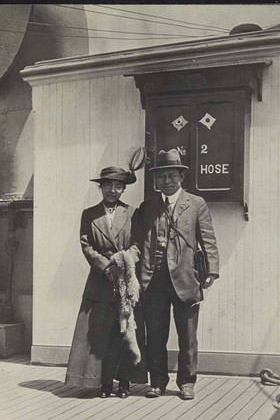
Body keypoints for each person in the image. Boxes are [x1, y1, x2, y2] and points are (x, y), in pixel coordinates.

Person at [130, 148, 219, 400]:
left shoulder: (196, 204)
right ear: (156, 181)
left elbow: (208, 240)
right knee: (155, 334)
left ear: (181, 177)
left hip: (186, 279)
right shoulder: (147, 207)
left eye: (172, 176)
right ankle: (157, 381)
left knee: (187, 335)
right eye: (162, 177)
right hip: (154, 281)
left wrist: (211, 271)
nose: (167, 182)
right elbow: (138, 241)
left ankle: (187, 382)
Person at [65, 165, 147, 399]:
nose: (113, 189)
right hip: (101, 282)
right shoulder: (89, 214)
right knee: (101, 334)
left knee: (125, 332)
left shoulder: (133, 213)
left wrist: (124, 261)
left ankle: (124, 384)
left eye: (118, 186)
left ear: (123, 189)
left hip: (126, 279)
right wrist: (106, 266)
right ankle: (104, 384)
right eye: (108, 185)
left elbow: (139, 243)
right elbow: (86, 246)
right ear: (100, 187)